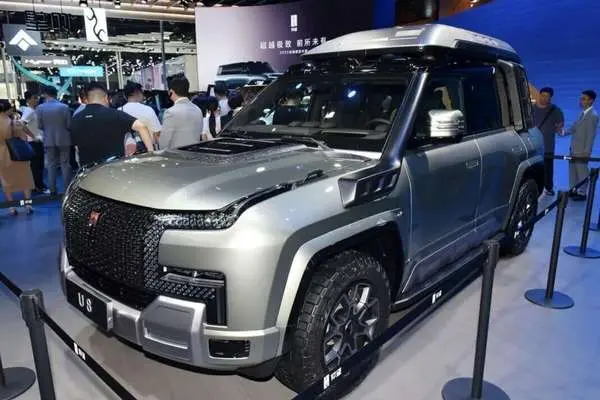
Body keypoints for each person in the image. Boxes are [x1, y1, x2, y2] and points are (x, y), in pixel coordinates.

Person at [71, 82, 154, 166]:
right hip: (114, 166)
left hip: (89, 169)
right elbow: (141, 126)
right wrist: (151, 153)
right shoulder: (116, 114)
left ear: (87, 99)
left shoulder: (75, 118)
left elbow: (76, 147)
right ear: (106, 98)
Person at [0, 99, 36, 215]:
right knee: (25, 180)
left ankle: (12, 207)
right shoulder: (16, 123)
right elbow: (25, 138)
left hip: (2, 156)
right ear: (8, 110)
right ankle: (28, 205)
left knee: (7, 182)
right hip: (18, 155)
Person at [563, 90, 599, 201]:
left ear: (591, 101)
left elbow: (590, 136)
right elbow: (574, 127)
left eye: (583, 99)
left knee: (582, 172)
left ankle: (582, 193)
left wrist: (587, 152)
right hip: (574, 148)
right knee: (573, 171)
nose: (581, 101)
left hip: (582, 151)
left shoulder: (593, 116)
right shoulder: (582, 113)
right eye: (581, 98)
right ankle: (573, 190)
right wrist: (564, 132)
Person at [36, 85, 72, 195]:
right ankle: (67, 189)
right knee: (65, 164)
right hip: (64, 139)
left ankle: (52, 189)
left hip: (48, 139)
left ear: (45, 94)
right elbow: (69, 125)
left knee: (51, 165)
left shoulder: (40, 108)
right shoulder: (64, 107)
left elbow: (40, 126)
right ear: (56, 94)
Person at [532, 87, 564, 196]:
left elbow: (560, 124)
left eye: (547, 97)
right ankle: (534, 189)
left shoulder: (555, 110)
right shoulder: (530, 108)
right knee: (533, 168)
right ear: (539, 95)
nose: (544, 98)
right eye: (543, 95)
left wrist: (556, 129)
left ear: (551, 98)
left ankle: (548, 187)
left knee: (548, 168)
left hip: (547, 145)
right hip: (533, 144)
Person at [159, 76, 205, 149]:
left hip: (175, 155)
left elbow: (163, 144)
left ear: (171, 91)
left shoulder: (170, 112)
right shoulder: (198, 110)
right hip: (194, 153)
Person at [121, 81, 162, 148]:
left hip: (127, 150)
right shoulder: (148, 110)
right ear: (138, 93)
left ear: (125, 96)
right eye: (142, 93)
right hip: (148, 148)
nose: (143, 96)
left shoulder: (119, 111)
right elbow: (157, 133)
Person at [20, 91, 46, 193]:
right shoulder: (29, 111)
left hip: (37, 141)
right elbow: (22, 124)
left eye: (37, 98)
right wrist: (33, 136)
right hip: (34, 142)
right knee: (36, 165)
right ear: (28, 100)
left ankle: (37, 185)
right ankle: (38, 186)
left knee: (38, 165)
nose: (36, 100)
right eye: (34, 98)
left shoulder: (33, 110)